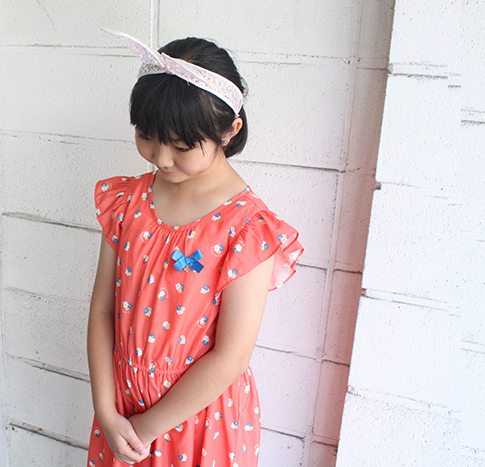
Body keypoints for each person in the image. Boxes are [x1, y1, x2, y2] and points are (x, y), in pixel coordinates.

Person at [87, 30, 303, 466]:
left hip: (200, 423)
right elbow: (103, 310)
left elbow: (231, 357)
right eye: (147, 136)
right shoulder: (127, 203)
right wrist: (107, 412)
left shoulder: (247, 229)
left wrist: (148, 427)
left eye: (182, 146)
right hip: (122, 413)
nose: (161, 158)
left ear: (230, 130)